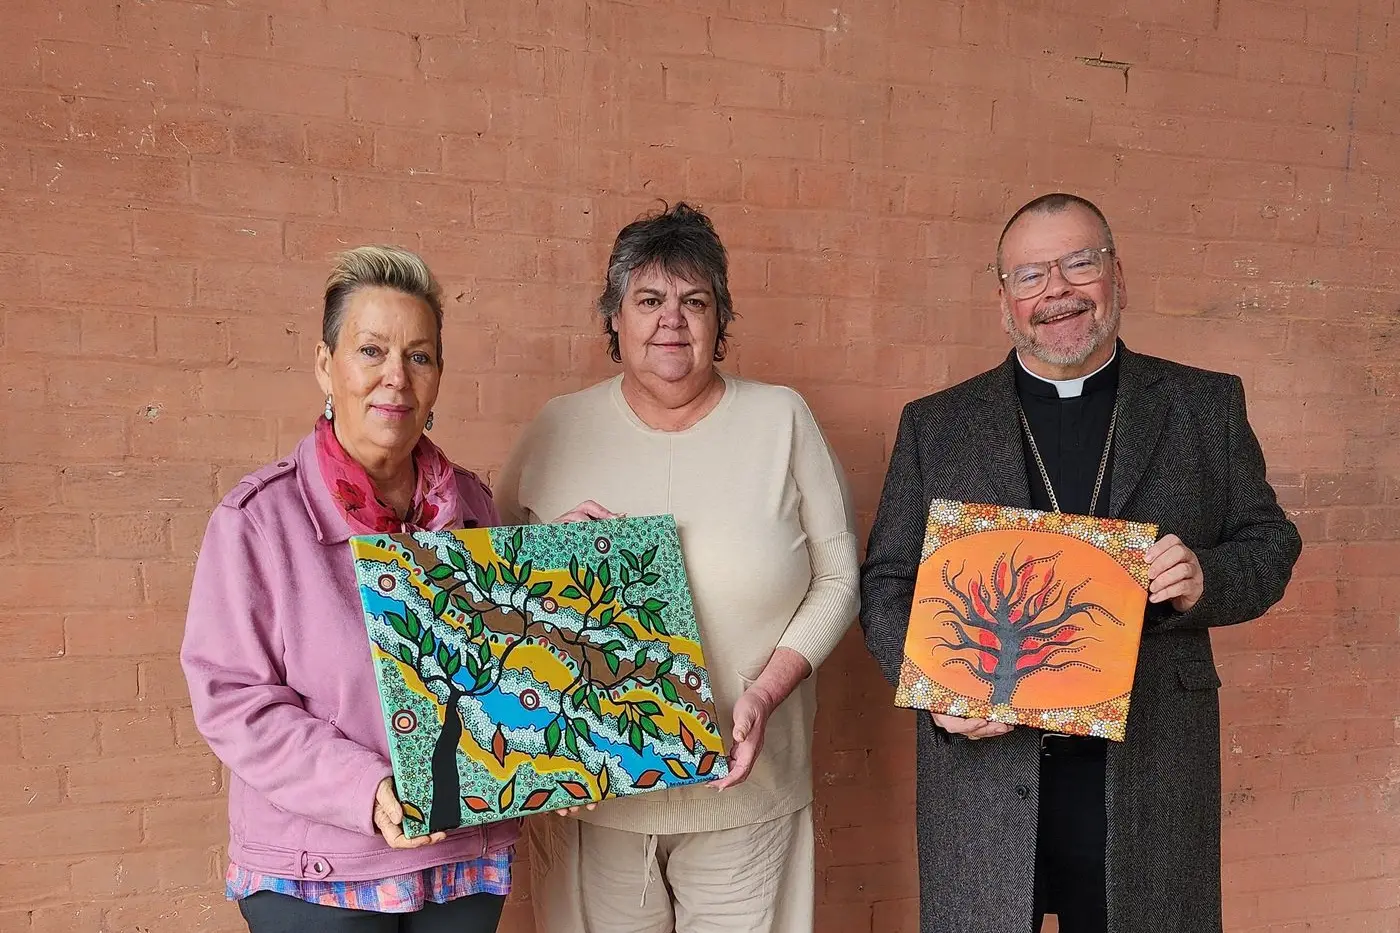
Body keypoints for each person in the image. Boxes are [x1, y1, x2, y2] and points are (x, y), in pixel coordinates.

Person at [859, 193, 1302, 933]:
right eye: (1030, 274)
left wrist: (1205, 578)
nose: (1056, 291)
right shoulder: (936, 424)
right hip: (986, 774)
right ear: (1004, 302)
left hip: (1148, 769)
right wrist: (934, 685)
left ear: (1117, 278)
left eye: (1078, 263)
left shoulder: (1204, 405)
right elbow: (886, 582)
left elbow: (1270, 542)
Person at [496, 202, 860, 933]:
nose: (672, 319)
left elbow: (840, 577)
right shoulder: (557, 428)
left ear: (720, 320)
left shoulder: (781, 419)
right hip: (596, 793)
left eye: (695, 302)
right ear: (615, 318)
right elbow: (497, 596)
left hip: (746, 789)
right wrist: (547, 559)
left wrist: (768, 688)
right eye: (650, 300)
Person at [181, 246, 518, 933]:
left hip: (460, 861)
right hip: (319, 869)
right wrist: (362, 787)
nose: (395, 376)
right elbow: (232, 699)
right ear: (324, 365)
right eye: (371, 350)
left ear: (439, 378)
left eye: (419, 356)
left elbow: (504, 668)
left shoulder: (476, 509)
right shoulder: (259, 521)